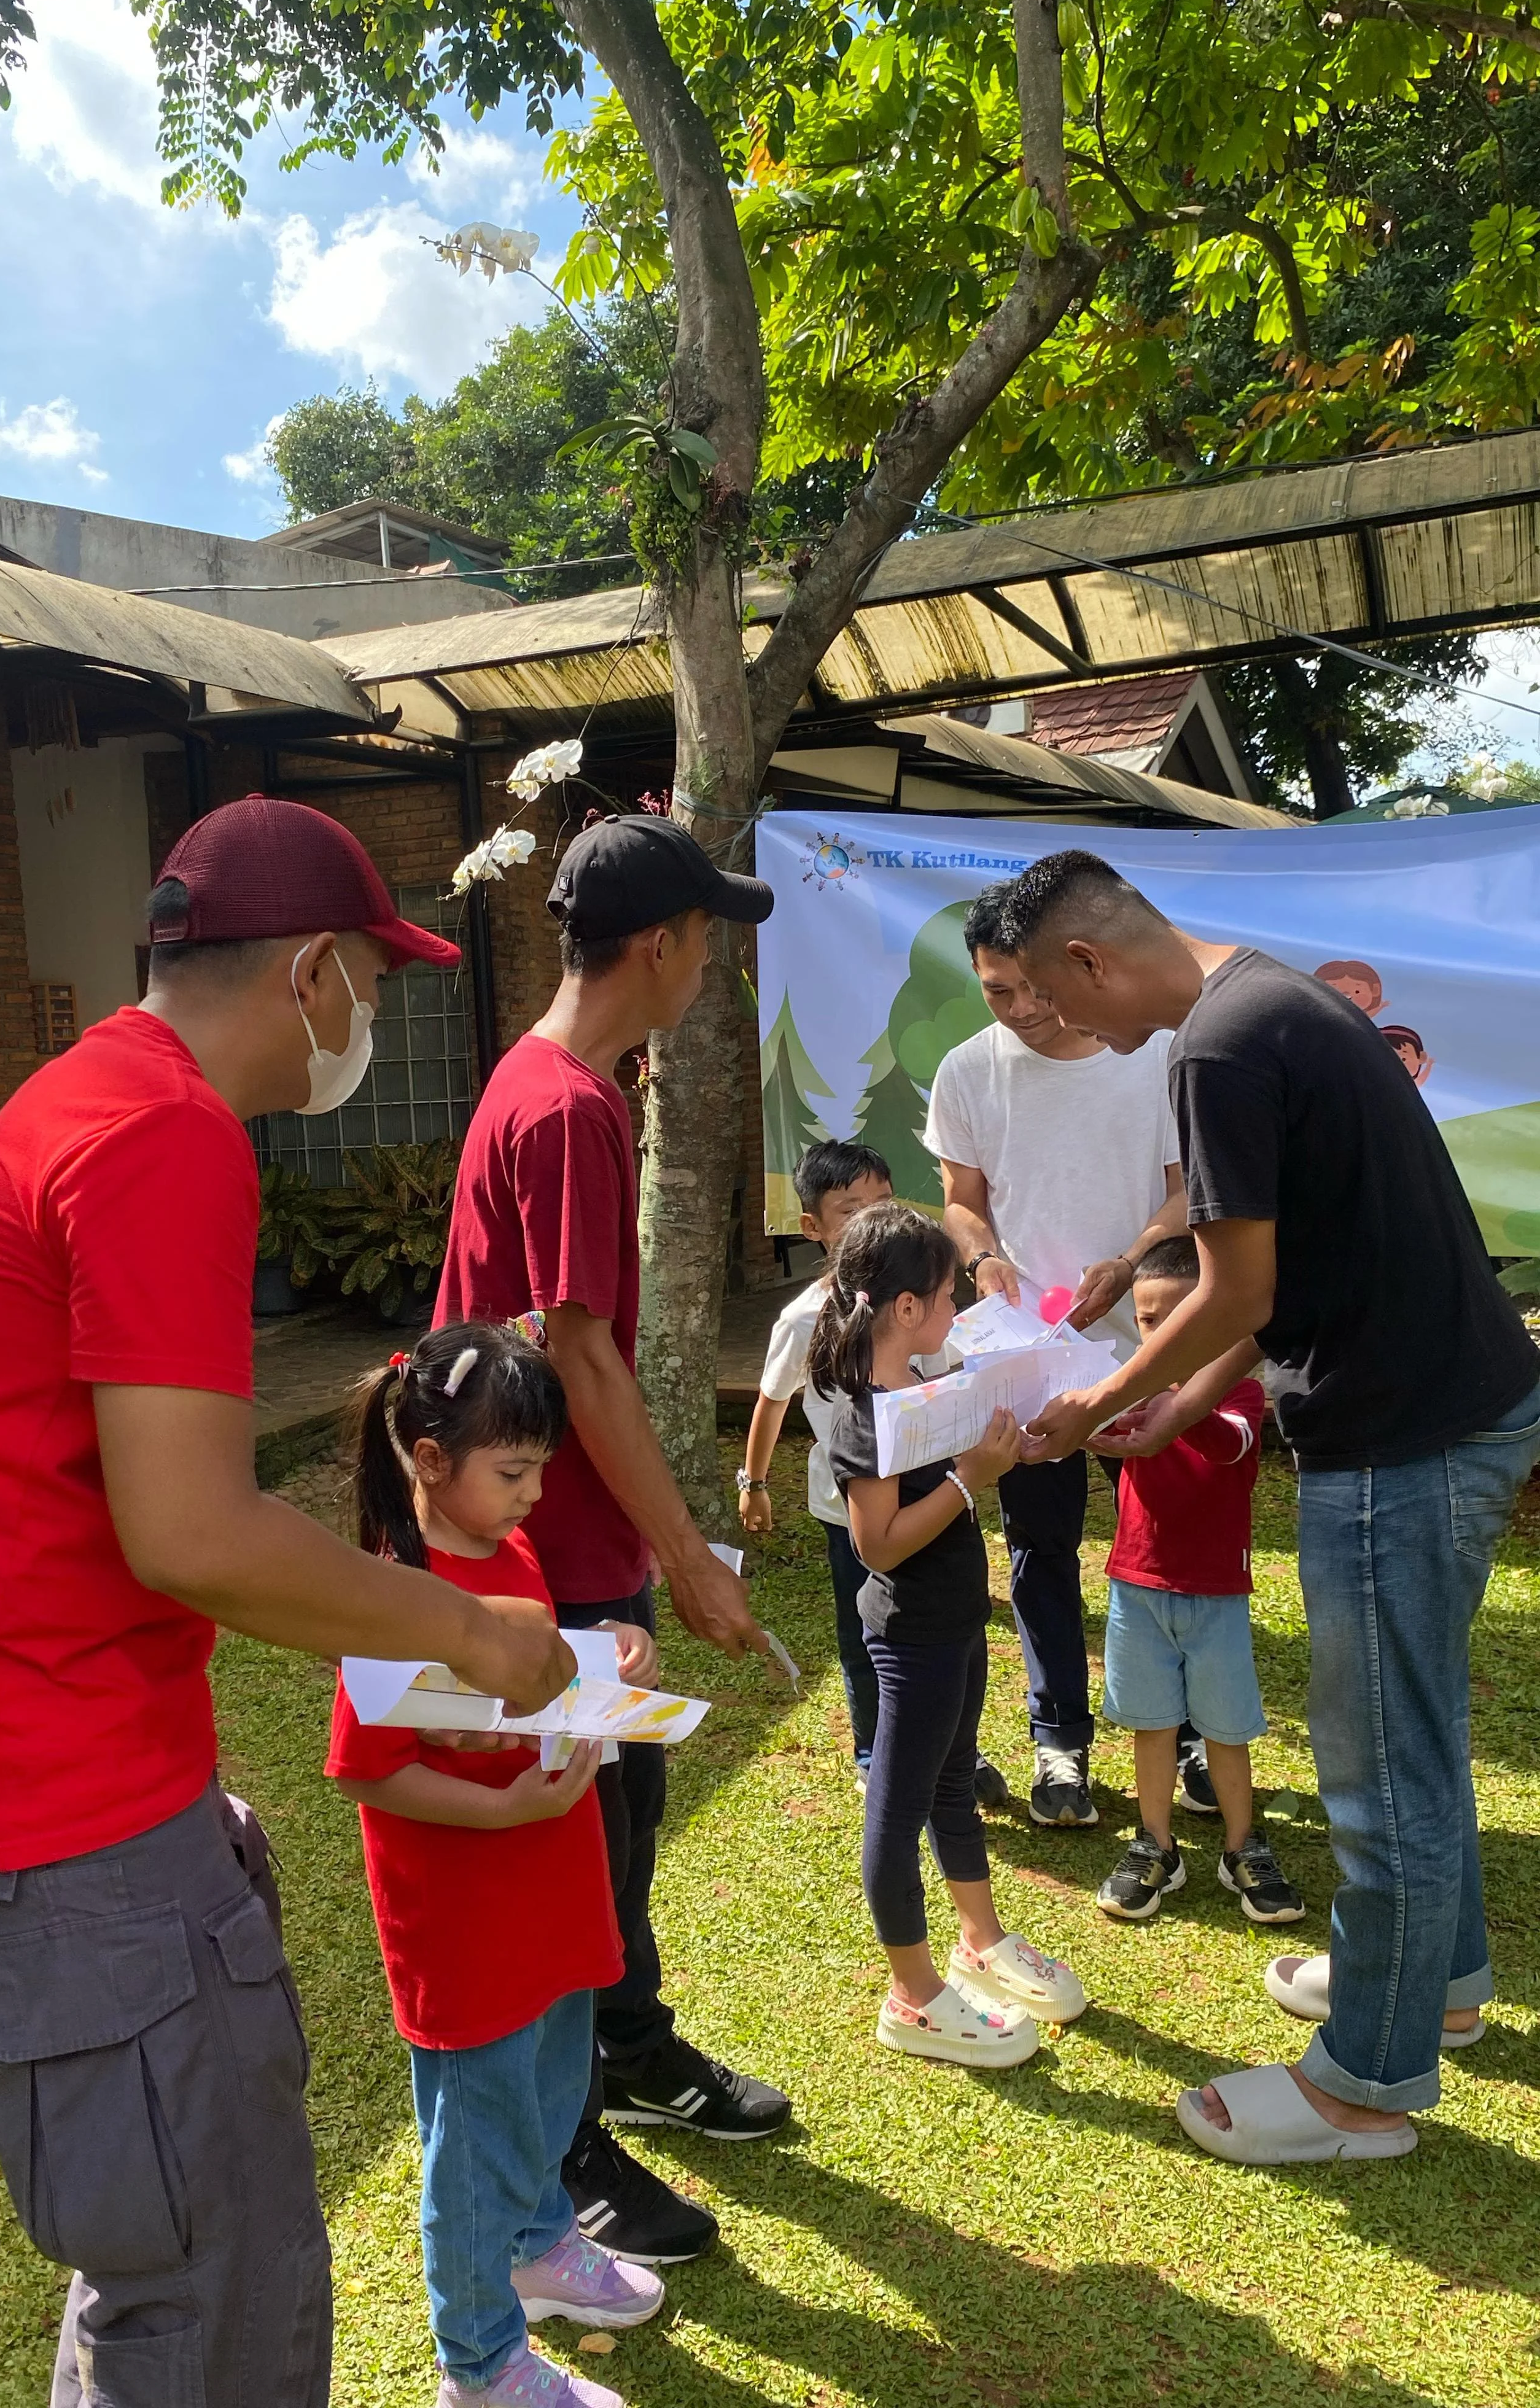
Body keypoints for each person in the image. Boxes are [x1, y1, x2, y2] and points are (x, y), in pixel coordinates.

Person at [0, 796, 575, 2408]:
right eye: (370, 983)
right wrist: (472, 1632)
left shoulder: (84, 1098)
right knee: (219, 2296)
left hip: (8, 1792)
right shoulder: (167, 1132)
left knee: (154, 2273)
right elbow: (194, 1532)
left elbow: (86, 1509)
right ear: (310, 972)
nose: (367, 1019)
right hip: (39, 1812)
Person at [1010, 848, 1540, 2165]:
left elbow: (1236, 1293)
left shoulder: (1214, 1049)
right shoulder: (1274, 1002)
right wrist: (1178, 1411)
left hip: (1400, 1443)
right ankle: (1438, 1989)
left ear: (1087, 960)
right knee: (1410, 1734)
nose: (1077, 1034)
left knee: (1377, 1765)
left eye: (1058, 1006)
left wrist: (1091, 1406)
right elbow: (1283, 1273)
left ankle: (1365, 2083)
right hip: (1460, 1407)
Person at [436, 812, 790, 2268]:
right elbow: (583, 1359)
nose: (710, 961)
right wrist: (692, 1558)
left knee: (620, 1826)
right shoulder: (573, 1106)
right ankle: (569, 2140)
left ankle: (633, 2050)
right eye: (708, 936)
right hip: (555, 1555)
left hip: (562, 1544)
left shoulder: (541, 1075)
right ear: (663, 945)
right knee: (582, 1854)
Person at [329, 1323, 664, 2408]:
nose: (530, 1495)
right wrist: (498, 1803)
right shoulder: (393, 1594)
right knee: (473, 2140)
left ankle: (537, 2244)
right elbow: (368, 1771)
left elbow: (525, 1662)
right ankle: (477, 2365)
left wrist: (601, 1643)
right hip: (466, 1919)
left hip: (550, 1890)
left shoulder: (504, 1549)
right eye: (512, 1471)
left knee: (554, 2083)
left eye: (539, 1471)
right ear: (430, 1460)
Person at [925, 885, 1190, 1828]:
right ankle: (1060, 1743)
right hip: (1032, 1360)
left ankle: (1188, 1737)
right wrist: (985, 1257)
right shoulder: (967, 1071)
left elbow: (1185, 1192)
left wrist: (1127, 1266)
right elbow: (961, 1200)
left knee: (1164, 1555)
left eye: (1031, 989)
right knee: (1041, 1549)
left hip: (1152, 1351)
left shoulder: (1150, 1052)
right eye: (998, 994)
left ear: (1066, 966)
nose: (1024, 1010)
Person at [809, 1202, 1087, 2067]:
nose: (956, 1309)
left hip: (958, 1627)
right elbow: (878, 1544)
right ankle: (916, 1995)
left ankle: (981, 1940)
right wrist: (972, 1480)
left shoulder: (926, 1388)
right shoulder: (867, 1414)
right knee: (898, 1812)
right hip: (912, 1638)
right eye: (946, 1294)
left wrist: (1002, 1444)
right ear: (904, 1309)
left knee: (954, 1788)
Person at [1092, 1235, 1304, 1928]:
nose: (1164, 1334)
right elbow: (1084, 1423)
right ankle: (1155, 1845)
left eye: (1182, 1317)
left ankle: (1243, 1848)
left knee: (1225, 1728)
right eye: (1150, 1322)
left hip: (1216, 1593)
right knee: (1150, 1724)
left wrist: (1177, 1405)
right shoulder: (1129, 1387)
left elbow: (1231, 1444)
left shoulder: (1240, 1392)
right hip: (1136, 1586)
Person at [738, 1140, 893, 1789]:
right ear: (814, 1229)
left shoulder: (921, 1302)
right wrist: (754, 1483)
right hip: (845, 1512)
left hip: (924, 1503)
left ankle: (949, 1751)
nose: (870, 1221)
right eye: (850, 1209)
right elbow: (771, 1404)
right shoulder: (804, 1318)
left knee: (935, 1634)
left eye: (881, 1204)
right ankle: (872, 1753)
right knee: (862, 1634)